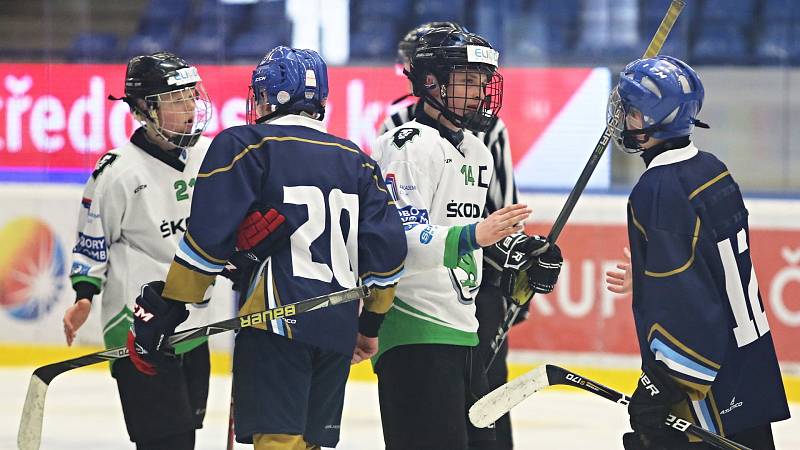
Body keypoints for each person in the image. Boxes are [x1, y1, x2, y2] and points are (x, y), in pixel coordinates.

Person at [126, 46, 407, 450]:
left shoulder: (246, 144)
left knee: (277, 442)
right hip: (337, 328)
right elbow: (387, 258)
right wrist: (369, 326)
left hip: (277, 324)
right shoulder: (358, 161)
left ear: (269, 97)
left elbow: (207, 239)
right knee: (307, 444)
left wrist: (170, 308)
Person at [371, 28, 563, 450]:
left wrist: (523, 256)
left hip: (465, 331)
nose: (479, 92)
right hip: (415, 330)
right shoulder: (403, 146)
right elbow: (399, 241)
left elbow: (473, 239)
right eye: (468, 80)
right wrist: (478, 234)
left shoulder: (477, 150)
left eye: (482, 81)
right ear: (430, 82)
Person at [606, 55, 790, 449]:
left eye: (631, 112)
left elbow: (687, 301)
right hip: (747, 367)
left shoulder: (658, 190)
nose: (625, 120)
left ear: (649, 120)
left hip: (705, 389)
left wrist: (663, 385)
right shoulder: (712, 169)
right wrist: (647, 277)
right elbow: (705, 267)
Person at [62, 51, 214, 450]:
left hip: (193, 325)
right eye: (176, 99)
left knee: (186, 438)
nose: (189, 107)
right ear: (146, 108)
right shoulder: (117, 171)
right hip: (137, 326)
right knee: (164, 442)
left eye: (190, 96)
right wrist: (84, 296)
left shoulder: (208, 156)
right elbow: (93, 237)